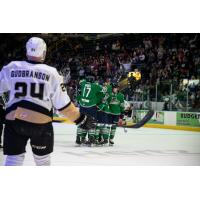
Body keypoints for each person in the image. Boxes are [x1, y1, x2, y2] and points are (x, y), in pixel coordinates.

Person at [0, 37, 96, 166]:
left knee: (13, 160)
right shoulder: (52, 73)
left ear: (27, 51)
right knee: (42, 161)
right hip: (40, 123)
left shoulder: (11, 67)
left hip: (14, 121)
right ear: (44, 52)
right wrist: (81, 119)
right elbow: (63, 106)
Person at [76, 78, 102, 146]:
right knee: (91, 122)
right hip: (91, 106)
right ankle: (91, 139)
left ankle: (78, 138)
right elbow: (102, 90)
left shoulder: (83, 83)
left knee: (81, 121)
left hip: (82, 105)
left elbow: (80, 82)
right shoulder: (94, 86)